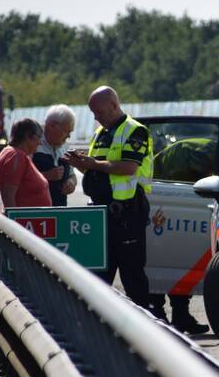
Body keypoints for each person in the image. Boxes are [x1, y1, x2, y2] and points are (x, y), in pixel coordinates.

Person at [65, 86, 157, 313]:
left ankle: (143, 329)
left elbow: (128, 167)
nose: (96, 117)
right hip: (102, 213)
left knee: (132, 275)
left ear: (114, 105)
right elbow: (101, 171)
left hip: (127, 213)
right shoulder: (101, 134)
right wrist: (82, 165)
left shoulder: (135, 131)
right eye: (93, 113)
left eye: (99, 112)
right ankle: (102, 327)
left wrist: (93, 164)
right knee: (100, 275)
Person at [148, 136, 217, 333]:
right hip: (161, 198)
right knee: (161, 258)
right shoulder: (201, 155)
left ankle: (180, 315)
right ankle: (157, 312)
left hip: (169, 198)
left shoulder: (206, 152)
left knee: (182, 259)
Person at [0, 118, 51, 210]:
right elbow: (8, 196)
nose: (40, 142)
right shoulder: (17, 156)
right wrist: (13, 223)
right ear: (28, 136)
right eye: (39, 137)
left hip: (32, 221)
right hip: (25, 222)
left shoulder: (9, 152)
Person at [32, 104, 78, 206]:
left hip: (59, 210)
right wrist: (46, 176)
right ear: (52, 126)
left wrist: (71, 183)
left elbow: (72, 175)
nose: (69, 136)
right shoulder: (32, 143)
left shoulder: (65, 146)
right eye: (67, 131)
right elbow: (18, 179)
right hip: (36, 212)